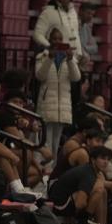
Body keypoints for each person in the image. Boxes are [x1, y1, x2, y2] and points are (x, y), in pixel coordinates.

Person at [35, 27, 82, 157]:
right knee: (45, 141)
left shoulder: (70, 58)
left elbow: (76, 77)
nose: (57, 41)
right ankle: (43, 166)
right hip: (47, 103)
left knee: (56, 144)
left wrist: (70, 60)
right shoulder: (42, 57)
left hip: (62, 105)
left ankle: (52, 167)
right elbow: (40, 76)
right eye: (54, 39)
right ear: (49, 40)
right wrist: (50, 58)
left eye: (60, 39)